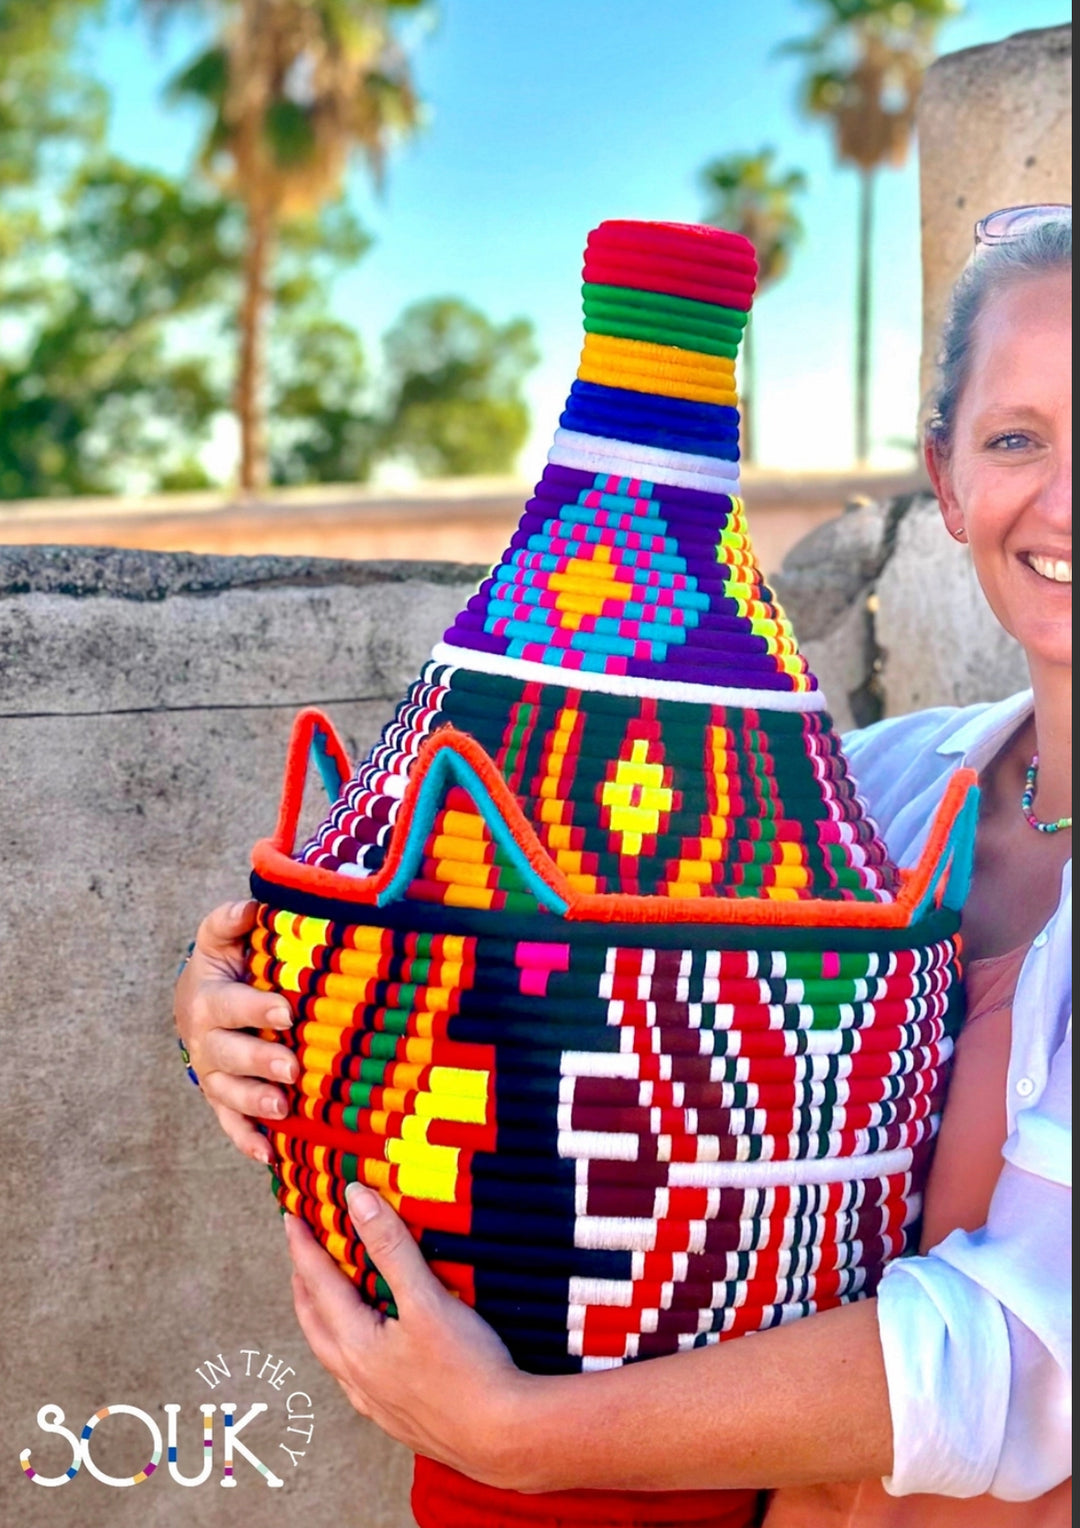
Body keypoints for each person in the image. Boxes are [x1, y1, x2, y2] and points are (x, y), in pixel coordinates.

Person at [175, 208, 1071, 1518]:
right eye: (1016, 439)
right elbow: (489, 979)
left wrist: (522, 1433)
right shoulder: (870, 796)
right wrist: (237, 1011)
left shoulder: (850, 822)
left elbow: (1029, 1364)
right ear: (944, 478)